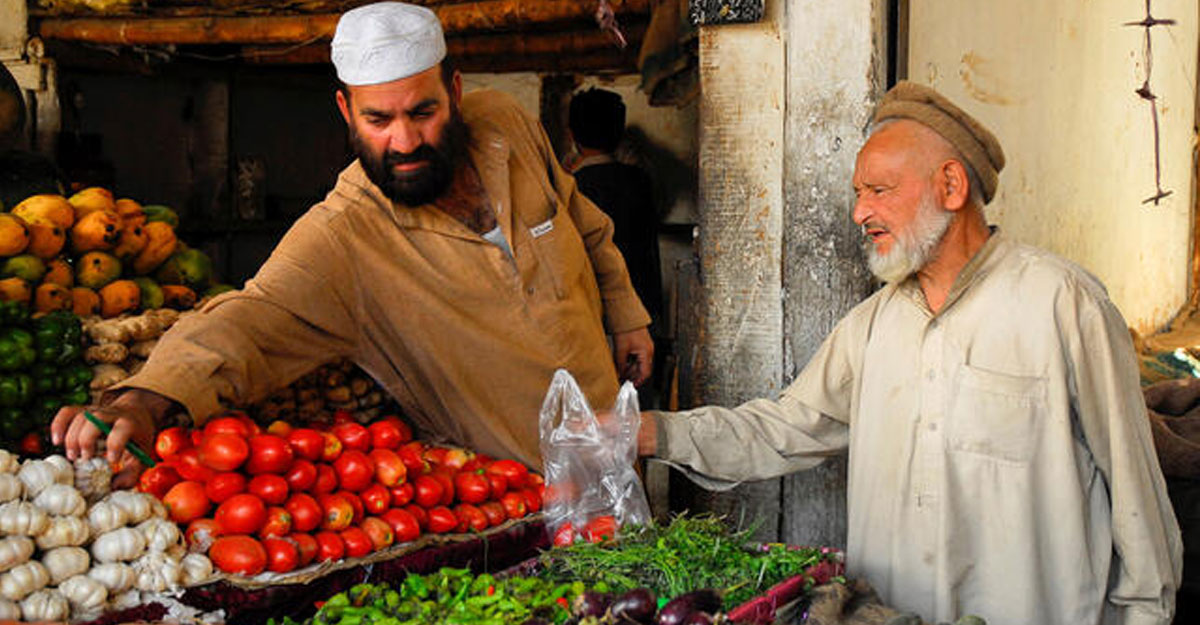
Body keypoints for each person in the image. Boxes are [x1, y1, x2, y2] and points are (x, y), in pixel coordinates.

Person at [637, 81, 1182, 625]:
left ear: (950, 184)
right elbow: (783, 429)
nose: (859, 212)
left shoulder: (1063, 304)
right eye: (858, 193)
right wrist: (655, 433)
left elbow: (1137, 495)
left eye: (878, 190)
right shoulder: (873, 326)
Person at [51, 1, 654, 485]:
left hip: (621, 448)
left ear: (458, 91)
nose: (405, 140)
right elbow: (248, 320)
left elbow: (581, 216)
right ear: (346, 110)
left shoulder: (506, 125)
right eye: (378, 120)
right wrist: (140, 402)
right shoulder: (344, 235)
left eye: (423, 111)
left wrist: (628, 316)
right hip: (526, 500)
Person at [567, 88, 663, 337]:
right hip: (642, 315)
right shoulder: (640, 181)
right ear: (620, 135)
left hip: (589, 318)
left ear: (571, 135)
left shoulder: (569, 188)